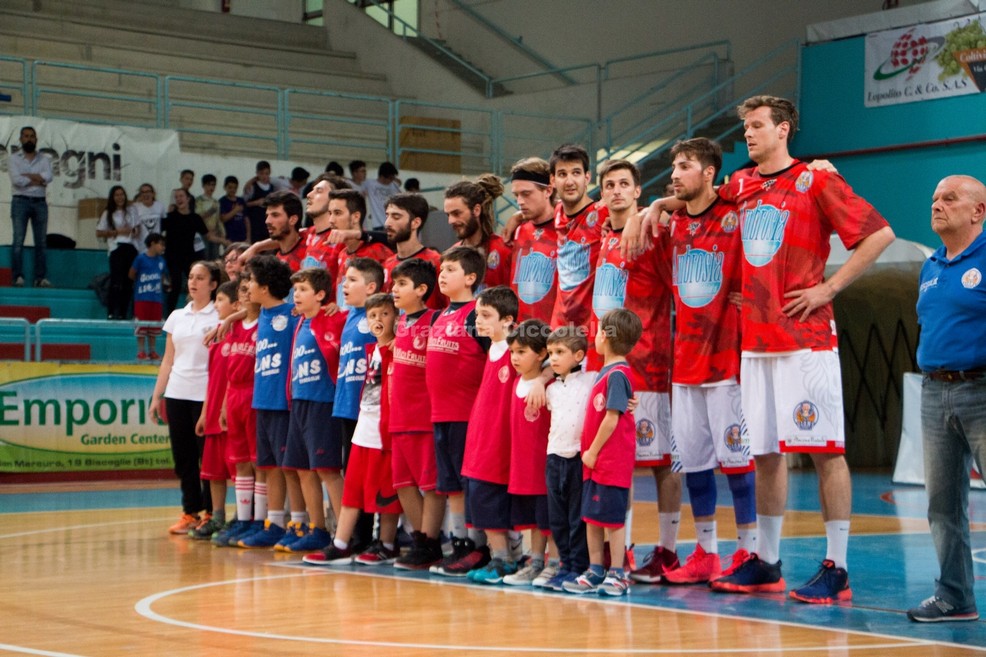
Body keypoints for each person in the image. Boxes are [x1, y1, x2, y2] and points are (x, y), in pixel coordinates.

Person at [638, 96, 895, 603]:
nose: (749, 134)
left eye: (757, 126)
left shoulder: (817, 179)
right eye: (746, 127)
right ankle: (767, 561)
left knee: (827, 453)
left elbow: (879, 234)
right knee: (765, 454)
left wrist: (828, 288)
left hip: (806, 338)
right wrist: (655, 206)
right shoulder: (740, 185)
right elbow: (696, 198)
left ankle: (837, 567)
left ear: (783, 130)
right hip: (754, 343)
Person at [660, 138, 757, 585]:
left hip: (726, 361)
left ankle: (750, 552)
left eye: (685, 166)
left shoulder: (737, 209)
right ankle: (706, 552)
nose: (675, 174)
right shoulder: (674, 222)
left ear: (710, 172)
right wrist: (652, 208)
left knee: (737, 460)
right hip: (684, 362)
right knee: (694, 462)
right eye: (673, 166)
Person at [589, 159, 679, 583]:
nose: (617, 191)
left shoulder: (656, 232)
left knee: (661, 461)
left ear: (639, 191)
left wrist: (655, 209)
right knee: (613, 461)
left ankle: (667, 550)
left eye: (625, 184)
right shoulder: (600, 236)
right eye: (610, 185)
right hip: (605, 368)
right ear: (601, 193)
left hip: (650, 362)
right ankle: (619, 551)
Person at [907, 174, 986, 623]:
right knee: (941, 504)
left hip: (982, 390)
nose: (937, 204)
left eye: (950, 198)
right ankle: (955, 596)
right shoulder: (931, 264)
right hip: (935, 393)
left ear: (977, 211)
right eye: (935, 197)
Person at [304, 292, 404, 566]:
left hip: (385, 432)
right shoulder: (372, 350)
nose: (378, 319)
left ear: (396, 317)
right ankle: (340, 543)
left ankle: (386, 544)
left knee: (385, 492)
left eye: (384, 313)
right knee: (352, 490)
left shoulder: (397, 349)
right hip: (364, 428)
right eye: (373, 315)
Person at [563, 308, 642, 596]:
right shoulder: (608, 373)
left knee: (611, 518)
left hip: (608, 461)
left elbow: (612, 417)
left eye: (597, 332)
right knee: (592, 516)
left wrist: (593, 451)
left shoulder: (618, 374)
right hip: (595, 462)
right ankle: (596, 569)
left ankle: (617, 573)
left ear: (606, 337)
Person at [426, 246, 491, 576]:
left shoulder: (477, 316)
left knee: (472, 483)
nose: (443, 274)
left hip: (470, 416)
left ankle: (481, 546)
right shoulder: (440, 315)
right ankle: (460, 543)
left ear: (470, 278)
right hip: (441, 415)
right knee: (450, 484)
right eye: (442, 269)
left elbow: (494, 361)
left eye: (450, 269)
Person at [149, 260, 221, 534]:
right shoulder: (177, 316)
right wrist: (158, 397)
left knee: (208, 458)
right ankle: (190, 511)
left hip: (205, 396)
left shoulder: (220, 317)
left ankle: (212, 513)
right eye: (191, 276)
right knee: (183, 458)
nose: (193, 282)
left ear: (213, 284)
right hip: (177, 394)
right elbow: (168, 360)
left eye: (200, 278)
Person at [279, 267, 346, 553]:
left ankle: (344, 532)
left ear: (320, 295)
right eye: (295, 290)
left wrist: (335, 308)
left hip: (323, 402)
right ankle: (317, 528)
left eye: (303, 289)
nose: (296, 295)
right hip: (300, 403)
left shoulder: (334, 318)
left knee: (327, 470)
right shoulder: (299, 322)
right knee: (303, 468)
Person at [236, 255, 301, 549]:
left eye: (250, 281)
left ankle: (300, 522)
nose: (246, 286)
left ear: (264, 286)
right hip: (262, 401)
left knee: (291, 467)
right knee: (270, 465)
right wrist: (228, 318)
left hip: (283, 403)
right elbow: (242, 315)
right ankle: (273, 523)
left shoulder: (292, 314)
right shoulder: (261, 314)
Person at [458, 286, 520, 583]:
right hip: (481, 436)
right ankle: (503, 556)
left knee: (491, 497)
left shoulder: (515, 351)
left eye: (485, 315)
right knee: (481, 497)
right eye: (477, 315)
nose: (478, 321)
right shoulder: (493, 347)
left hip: (500, 438)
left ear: (508, 319)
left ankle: (505, 559)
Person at [388, 258, 445, 570]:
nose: (394, 290)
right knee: (403, 483)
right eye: (394, 283)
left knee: (430, 484)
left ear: (422, 290)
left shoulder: (435, 320)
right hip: (399, 416)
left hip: (424, 416)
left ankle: (430, 541)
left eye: (402, 284)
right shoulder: (399, 323)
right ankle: (419, 536)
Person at [497, 318, 554, 586]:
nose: (515, 358)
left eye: (522, 352)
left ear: (542, 353)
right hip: (523, 467)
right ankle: (536, 561)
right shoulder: (515, 383)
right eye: (512, 352)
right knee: (533, 519)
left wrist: (544, 378)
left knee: (548, 520)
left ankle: (553, 564)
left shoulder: (550, 387)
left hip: (545, 468)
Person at [211, 276, 263, 547]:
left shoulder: (265, 323)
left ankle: (261, 520)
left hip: (255, 395)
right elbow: (229, 375)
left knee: (258, 462)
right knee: (240, 461)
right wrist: (222, 406)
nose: (244, 293)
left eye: (247, 289)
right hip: (235, 397)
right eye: (241, 289)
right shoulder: (232, 327)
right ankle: (243, 519)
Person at [541, 326, 593, 591]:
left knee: (576, 518)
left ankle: (579, 566)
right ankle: (564, 565)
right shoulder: (550, 389)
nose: (554, 358)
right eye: (550, 353)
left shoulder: (591, 381)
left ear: (579, 355)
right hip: (553, 458)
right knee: (557, 518)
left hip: (577, 459)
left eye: (560, 352)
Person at [189, 280, 240, 540]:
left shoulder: (240, 334)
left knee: (239, 470)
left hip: (232, 413)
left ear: (237, 305)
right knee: (213, 471)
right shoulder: (217, 336)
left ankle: (242, 516)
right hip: (213, 415)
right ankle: (217, 516)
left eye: (220, 300)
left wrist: (223, 408)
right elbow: (212, 378)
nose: (216, 305)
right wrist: (204, 412)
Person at [548, 144, 608, 331]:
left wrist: (658, 207)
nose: (570, 181)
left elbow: (647, 215)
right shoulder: (557, 211)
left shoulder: (604, 212)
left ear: (587, 177)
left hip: (591, 328)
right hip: (559, 327)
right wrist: (516, 217)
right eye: (562, 174)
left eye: (576, 173)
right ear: (553, 180)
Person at [508, 157, 558, 322]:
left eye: (526, 194)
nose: (520, 202)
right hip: (521, 333)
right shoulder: (519, 230)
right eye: (516, 195)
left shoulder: (568, 228)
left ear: (548, 191)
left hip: (555, 334)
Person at [327, 189, 393, 310]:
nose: (331, 220)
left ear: (356, 217)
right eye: (329, 213)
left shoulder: (378, 251)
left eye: (337, 213)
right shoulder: (342, 254)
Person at [444, 176, 513, 290]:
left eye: (457, 213)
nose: (450, 221)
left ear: (476, 210)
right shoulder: (451, 255)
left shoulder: (504, 250)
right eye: (448, 215)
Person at [381, 192, 445, 309]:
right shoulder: (387, 264)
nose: (387, 223)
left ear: (415, 223)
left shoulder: (436, 262)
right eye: (387, 216)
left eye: (396, 217)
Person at [8, 126, 52, 287]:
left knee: (41, 242)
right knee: (18, 240)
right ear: (20, 139)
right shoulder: (14, 159)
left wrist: (28, 177)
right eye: (26, 136)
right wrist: (38, 179)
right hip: (20, 201)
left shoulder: (44, 159)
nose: (29, 139)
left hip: (40, 202)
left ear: (36, 139)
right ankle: (17, 276)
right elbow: (17, 181)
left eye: (32, 136)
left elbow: (49, 177)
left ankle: (40, 278)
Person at [162, 188, 209, 313]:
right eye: (176, 197)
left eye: (181, 196)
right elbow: (157, 234)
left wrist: (225, 241)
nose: (179, 199)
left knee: (193, 287)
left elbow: (208, 235)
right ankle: (169, 316)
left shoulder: (195, 218)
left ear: (188, 198)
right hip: (172, 257)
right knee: (175, 285)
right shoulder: (169, 217)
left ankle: (193, 312)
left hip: (190, 257)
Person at [96, 185, 140, 320]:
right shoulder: (108, 212)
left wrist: (133, 231)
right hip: (116, 247)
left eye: (122, 194)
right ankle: (111, 311)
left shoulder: (132, 210)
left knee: (128, 282)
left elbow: (137, 229)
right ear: (112, 197)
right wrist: (117, 231)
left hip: (131, 246)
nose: (120, 197)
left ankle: (122, 312)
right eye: (117, 195)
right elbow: (99, 232)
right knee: (116, 281)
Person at [129, 232, 168, 360]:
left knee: (154, 326)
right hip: (141, 298)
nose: (163, 247)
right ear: (152, 244)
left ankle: (152, 351)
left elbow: (162, 277)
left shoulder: (162, 261)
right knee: (142, 326)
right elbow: (131, 274)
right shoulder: (140, 259)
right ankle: (141, 351)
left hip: (156, 299)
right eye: (161, 244)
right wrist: (142, 284)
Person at [363, 161, 401, 230]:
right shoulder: (370, 184)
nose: (391, 180)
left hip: (392, 223)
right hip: (377, 223)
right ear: (382, 176)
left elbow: (399, 183)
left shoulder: (394, 185)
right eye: (389, 178)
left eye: (392, 178)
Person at [244, 160, 274, 244]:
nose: (264, 176)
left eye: (266, 173)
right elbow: (243, 204)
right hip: (254, 223)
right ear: (257, 173)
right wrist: (256, 203)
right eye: (261, 173)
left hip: (266, 223)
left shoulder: (271, 187)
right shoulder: (252, 187)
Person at [197, 174, 226, 260]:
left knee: (215, 259)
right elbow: (198, 218)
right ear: (203, 186)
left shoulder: (216, 202)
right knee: (204, 259)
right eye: (208, 185)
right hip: (203, 234)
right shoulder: (199, 200)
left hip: (215, 234)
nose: (211, 187)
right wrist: (210, 211)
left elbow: (218, 219)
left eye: (213, 185)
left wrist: (222, 232)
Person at [134, 183, 167, 251]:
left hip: (157, 246)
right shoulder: (135, 207)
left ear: (153, 193)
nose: (145, 194)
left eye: (147, 191)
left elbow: (164, 224)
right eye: (142, 192)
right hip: (141, 247)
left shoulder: (160, 206)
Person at [219, 176, 249, 244]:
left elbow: (246, 220)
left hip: (242, 236)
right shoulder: (222, 201)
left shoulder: (241, 200)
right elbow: (223, 219)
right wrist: (235, 210)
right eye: (230, 187)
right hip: (229, 237)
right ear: (225, 187)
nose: (232, 190)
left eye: (235, 188)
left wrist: (248, 237)